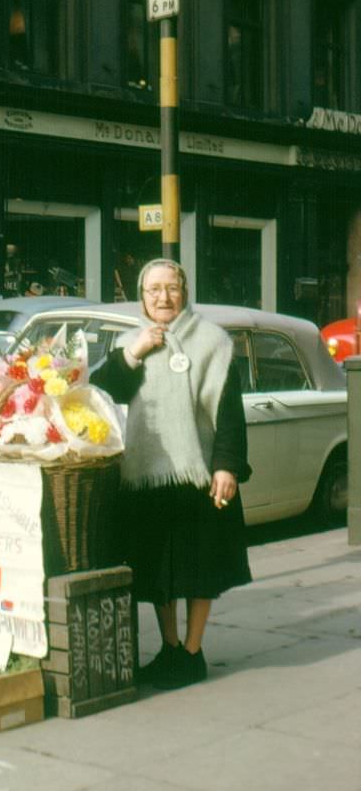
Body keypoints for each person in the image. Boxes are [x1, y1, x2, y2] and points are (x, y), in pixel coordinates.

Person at [91, 258, 252, 690]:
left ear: (185, 291)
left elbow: (229, 412)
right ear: (141, 297)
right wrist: (134, 352)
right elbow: (105, 392)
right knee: (159, 572)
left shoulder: (212, 341)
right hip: (147, 477)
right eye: (154, 290)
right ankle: (169, 648)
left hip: (198, 476)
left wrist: (226, 466)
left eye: (172, 288)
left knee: (199, 569)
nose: (164, 297)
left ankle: (192, 652)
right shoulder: (130, 341)